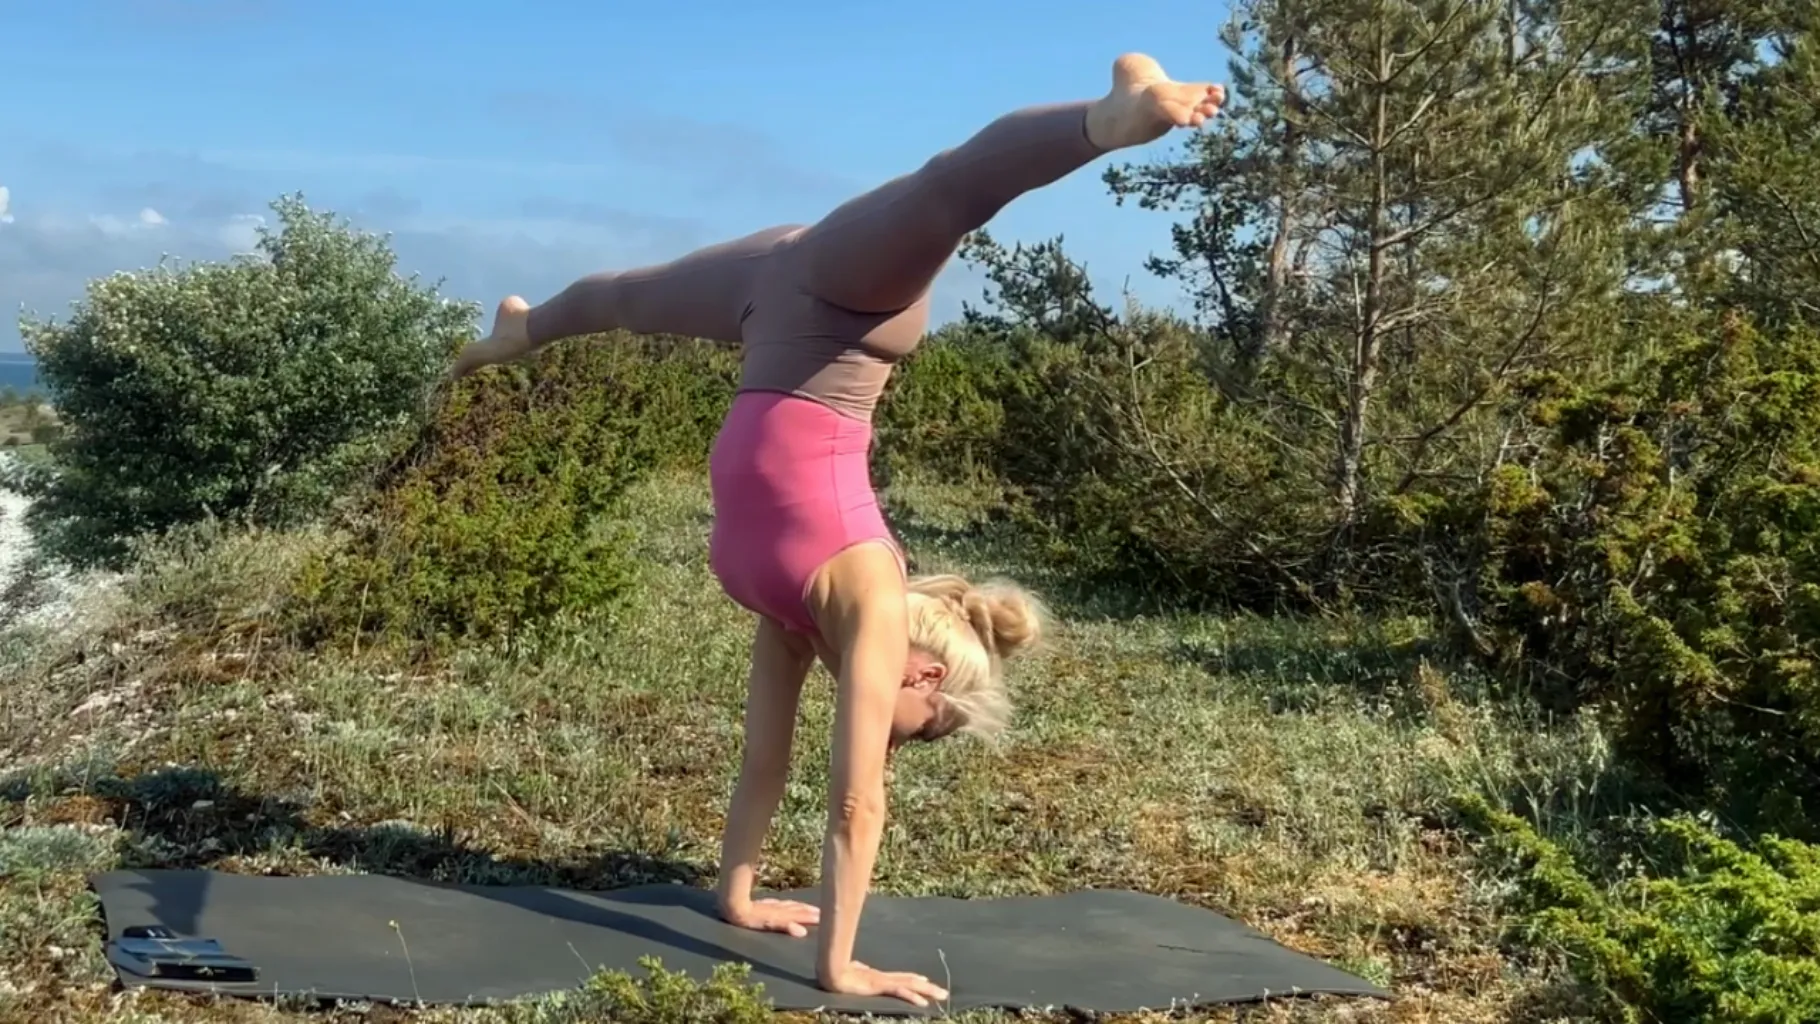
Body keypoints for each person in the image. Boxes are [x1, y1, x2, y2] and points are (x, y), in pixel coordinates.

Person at [446, 52, 1225, 1006]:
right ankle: (1115, 113)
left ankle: (522, 330)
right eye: (927, 729)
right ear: (924, 677)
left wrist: (737, 897)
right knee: (949, 194)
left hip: (774, 297)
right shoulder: (867, 599)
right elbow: (857, 805)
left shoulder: (800, 615)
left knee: (622, 299)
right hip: (850, 298)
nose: (906, 742)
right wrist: (839, 967)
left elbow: (765, 758)